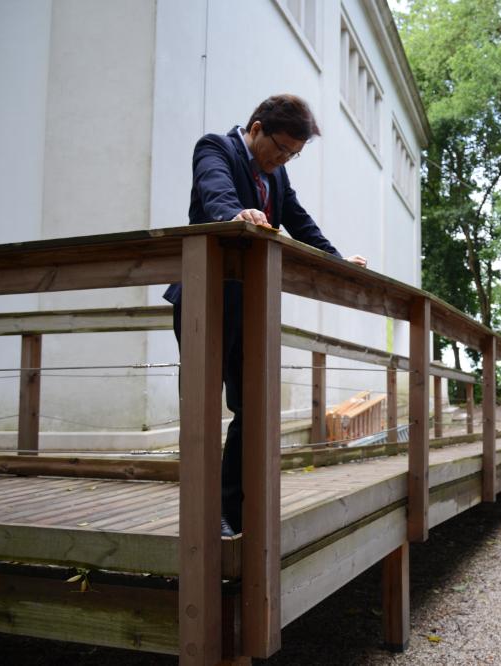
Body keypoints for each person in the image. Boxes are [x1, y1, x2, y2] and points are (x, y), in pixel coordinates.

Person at [163, 94, 366, 536]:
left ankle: (233, 510)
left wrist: (336, 264)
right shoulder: (215, 147)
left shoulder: (277, 173)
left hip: (252, 300)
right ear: (256, 128)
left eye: (294, 153)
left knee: (253, 407)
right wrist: (237, 214)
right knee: (201, 408)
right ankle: (202, 514)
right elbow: (214, 193)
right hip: (205, 294)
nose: (283, 158)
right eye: (280, 148)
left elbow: (299, 220)